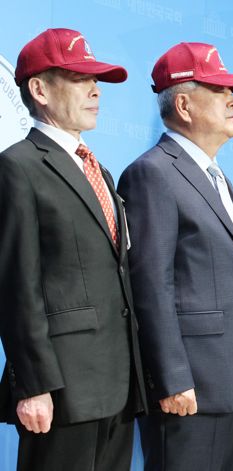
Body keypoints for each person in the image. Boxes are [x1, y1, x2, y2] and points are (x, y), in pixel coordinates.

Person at [118, 42, 233, 471]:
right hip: (191, 390)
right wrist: (172, 378)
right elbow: (151, 285)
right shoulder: (152, 173)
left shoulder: (219, 176)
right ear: (183, 104)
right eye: (219, 89)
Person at [0, 28, 145, 471]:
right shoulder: (17, 167)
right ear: (39, 89)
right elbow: (16, 287)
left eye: (96, 80)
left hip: (116, 386)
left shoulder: (98, 168)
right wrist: (33, 384)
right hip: (62, 390)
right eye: (79, 78)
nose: (95, 90)